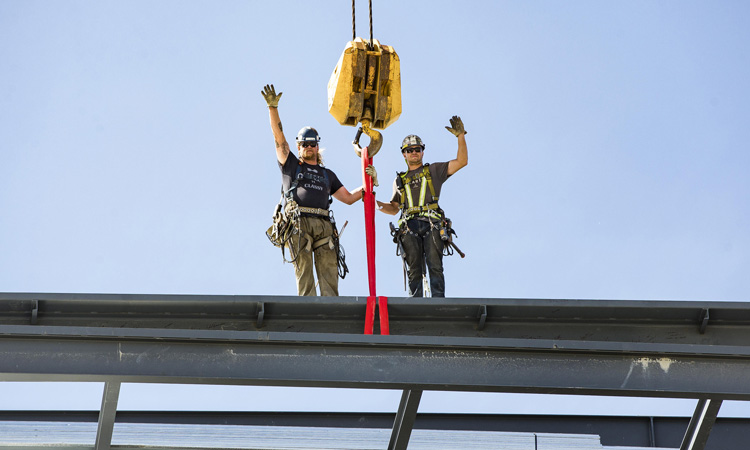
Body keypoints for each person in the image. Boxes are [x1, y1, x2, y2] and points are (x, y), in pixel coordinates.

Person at [262, 84, 375, 297]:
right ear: (298, 146)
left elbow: (349, 198)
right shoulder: (292, 166)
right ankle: (308, 313)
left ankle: (331, 313)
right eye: (304, 144)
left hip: (323, 225)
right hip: (299, 224)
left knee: (328, 275)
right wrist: (272, 108)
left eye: (312, 144)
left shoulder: (327, 175)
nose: (309, 147)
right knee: (304, 274)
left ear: (317, 146)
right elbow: (279, 137)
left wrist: (369, 183)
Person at [376, 116, 468, 297]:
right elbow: (394, 208)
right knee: (414, 269)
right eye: (409, 150)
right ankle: (415, 304)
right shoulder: (399, 180)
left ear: (422, 152)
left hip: (431, 224)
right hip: (409, 227)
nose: (413, 153)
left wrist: (461, 136)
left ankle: (438, 303)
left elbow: (461, 161)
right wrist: (374, 202)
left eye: (417, 149)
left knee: (435, 266)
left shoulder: (433, 171)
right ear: (404, 154)